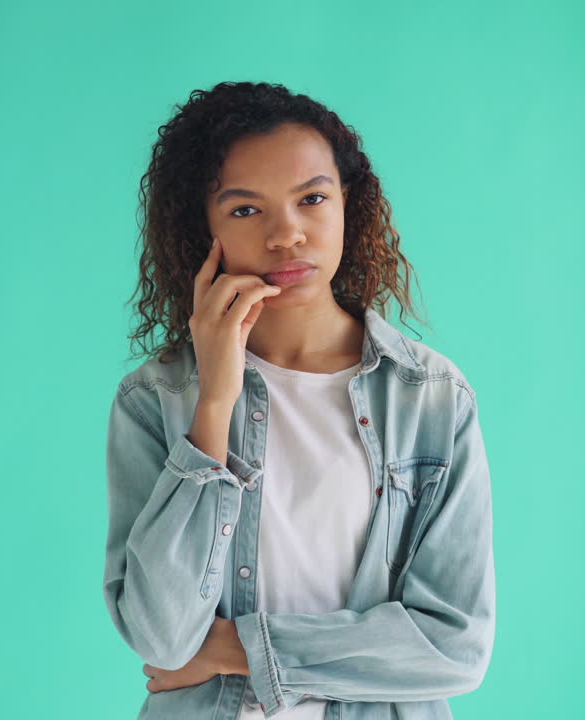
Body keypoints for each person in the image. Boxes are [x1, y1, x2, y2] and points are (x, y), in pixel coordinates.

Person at [103, 81, 495, 720]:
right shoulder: (157, 401)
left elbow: (455, 644)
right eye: (245, 210)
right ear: (200, 229)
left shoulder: (430, 399)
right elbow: (162, 637)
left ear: (349, 205)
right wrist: (214, 406)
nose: (288, 235)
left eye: (312, 198)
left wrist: (241, 647)